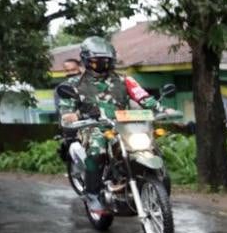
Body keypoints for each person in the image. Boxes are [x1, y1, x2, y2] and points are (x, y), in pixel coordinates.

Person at [55, 36, 162, 216]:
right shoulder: (74, 84)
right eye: (97, 62)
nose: (102, 65)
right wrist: (74, 115)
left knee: (151, 146)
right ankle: (92, 194)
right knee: (97, 150)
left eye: (106, 62)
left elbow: (143, 97)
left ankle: (148, 183)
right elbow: (66, 113)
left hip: (124, 126)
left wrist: (162, 109)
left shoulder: (125, 80)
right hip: (92, 127)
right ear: (87, 61)